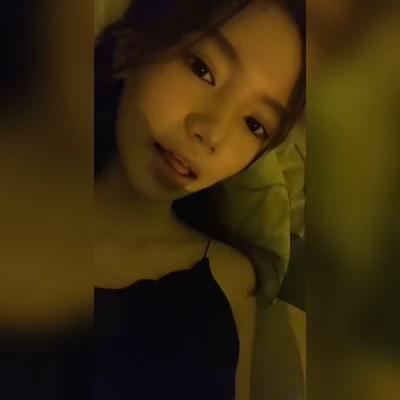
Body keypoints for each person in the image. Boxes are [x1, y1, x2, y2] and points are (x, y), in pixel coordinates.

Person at [94, 1, 305, 399]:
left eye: (254, 124)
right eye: (202, 69)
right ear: (130, 49)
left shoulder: (229, 281)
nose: (212, 132)